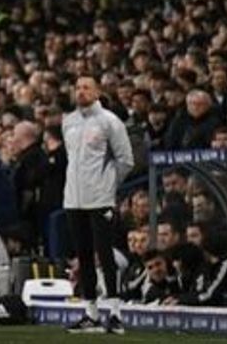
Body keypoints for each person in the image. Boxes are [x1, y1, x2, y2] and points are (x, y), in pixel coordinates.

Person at [62, 76, 133, 334]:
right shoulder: (68, 122)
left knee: (105, 254)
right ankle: (91, 313)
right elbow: (71, 159)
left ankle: (115, 313)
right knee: (83, 255)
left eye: (86, 87)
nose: (81, 91)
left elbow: (126, 160)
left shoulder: (110, 121)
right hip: (73, 199)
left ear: (97, 91)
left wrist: (107, 185)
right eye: (77, 87)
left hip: (99, 199)